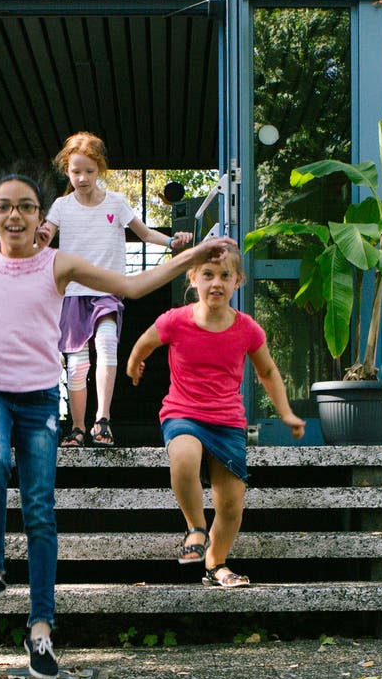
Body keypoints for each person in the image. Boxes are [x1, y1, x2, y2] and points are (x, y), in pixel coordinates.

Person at [0, 172, 232, 679]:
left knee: (39, 508)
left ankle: (42, 628)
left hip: (37, 401)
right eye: (4, 207)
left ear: (40, 218)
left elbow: (133, 285)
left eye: (25, 207)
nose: (15, 215)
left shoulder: (59, 264)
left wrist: (192, 254)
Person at [126, 250, 306, 589]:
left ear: (238, 281)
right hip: (183, 412)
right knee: (183, 458)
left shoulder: (247, 329)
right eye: (208, 274)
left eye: (225, 276)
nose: (216, 283)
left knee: (231, 506)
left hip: (227, 421)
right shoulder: (176, 320)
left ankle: (216, 564)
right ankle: (195, 528)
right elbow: (145, 342)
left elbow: (267, 371)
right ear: (193, 279)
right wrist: (134, 364)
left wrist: (285, 412)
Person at [35, 132, 194, 447]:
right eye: (75, 171)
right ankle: (77, 428)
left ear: (100, 170)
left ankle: (102, 421)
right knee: (78, 364)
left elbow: (146, 234)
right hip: (72, 294)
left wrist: (174, 243)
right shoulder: (61, 206)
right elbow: (43, 237)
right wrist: (32, 235)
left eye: (89, 172)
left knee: (107, 346)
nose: (82, 178)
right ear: (67, 170)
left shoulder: (117, 203)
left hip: (108, 290)